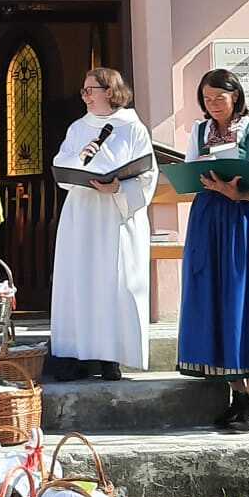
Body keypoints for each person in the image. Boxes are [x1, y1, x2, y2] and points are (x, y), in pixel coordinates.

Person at [175, 68, 249, 434]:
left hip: (243, 218)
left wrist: (241, 194)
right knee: (214, 297)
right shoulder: (199, 131)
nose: (213, 105)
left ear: (236, 96)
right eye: (207, 99)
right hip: (208, 218)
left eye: (220, 98)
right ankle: (235, 396)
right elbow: (190, 176)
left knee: (244, 298)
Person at [48, 67, 155, 382]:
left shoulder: (133, 128)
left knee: (113, 283)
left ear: (109, 91)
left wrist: (118, 188)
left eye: (89, 90)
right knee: (80, 283)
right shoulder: (78, 128)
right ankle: (77, 356)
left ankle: (111, 358)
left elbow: (147, 175)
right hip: (82, 214)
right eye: (83, 91)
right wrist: (76, 160)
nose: (85, 96)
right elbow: (61, 164)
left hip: (114, 216)